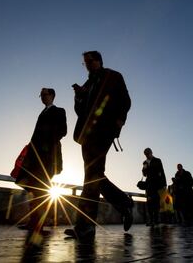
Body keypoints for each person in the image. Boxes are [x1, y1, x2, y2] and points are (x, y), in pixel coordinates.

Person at [65, 51, 133, 240]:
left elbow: (125, 101)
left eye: (89, 61)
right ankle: (124, 203)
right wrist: (79, 96)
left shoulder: (113, 76)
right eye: (84, 62)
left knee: (92, 176)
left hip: (104, 131)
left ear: (99, 60)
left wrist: (119, 121)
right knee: (93, 176)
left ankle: (85, 227)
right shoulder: (87, 84)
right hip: (87, 134)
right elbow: (80, 111)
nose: (86, 64)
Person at [16, 88, 67, 235]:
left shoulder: (59, 111)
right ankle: (34, 222)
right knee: (34, 188)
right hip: (35, 156)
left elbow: (63, 131)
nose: (42, 97)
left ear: (52, 95)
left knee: (42, 188)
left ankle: (40, 223)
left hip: (48, 156)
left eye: (45, 94)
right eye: (41, 95)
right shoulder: (42, 113)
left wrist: (46, 142)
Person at [142, 148, 167, 226]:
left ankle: (156, 219)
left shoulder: (157, 160)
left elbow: (162, 171)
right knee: (149, 202)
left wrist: (164, 184)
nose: (147, 155)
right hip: (149, 184)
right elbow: (144, 174)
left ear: (151, 152)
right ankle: (151, 219)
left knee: (156, 202)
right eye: (145, 154)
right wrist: (144, 169)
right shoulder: (145, 162)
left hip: (157, 184)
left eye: (148, 153)